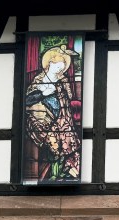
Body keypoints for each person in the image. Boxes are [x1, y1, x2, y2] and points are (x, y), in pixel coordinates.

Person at [25, 44, 82, 182]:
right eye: (58, 65)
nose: (61, 69)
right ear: (50, 63)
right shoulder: (39, 80)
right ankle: (53, 171)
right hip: (41, 116)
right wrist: (43, 93)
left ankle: (63, 171)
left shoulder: (63, 80)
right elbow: (27, 101)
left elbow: (68, 99)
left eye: (63, 66)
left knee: (67, 136)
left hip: (62, 116)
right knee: (50, 135)